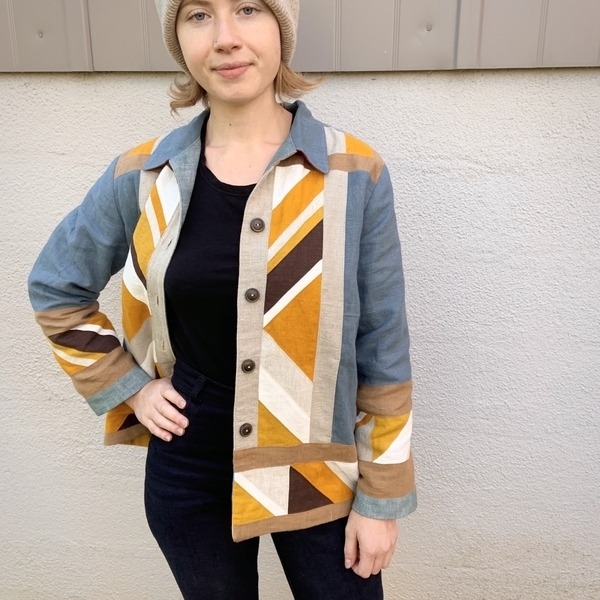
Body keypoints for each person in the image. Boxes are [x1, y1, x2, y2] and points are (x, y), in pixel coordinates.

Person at [28, 0, 416, 598]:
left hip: (318, 464)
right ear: (179, 39)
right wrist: (128, 386)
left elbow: (382, 344)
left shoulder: (350, 172)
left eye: (248, 9)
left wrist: (381, 499)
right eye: (198, 15)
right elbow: (56, 287)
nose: (225, 37)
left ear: (281, 29)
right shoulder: (144, 174)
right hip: (189, 466)